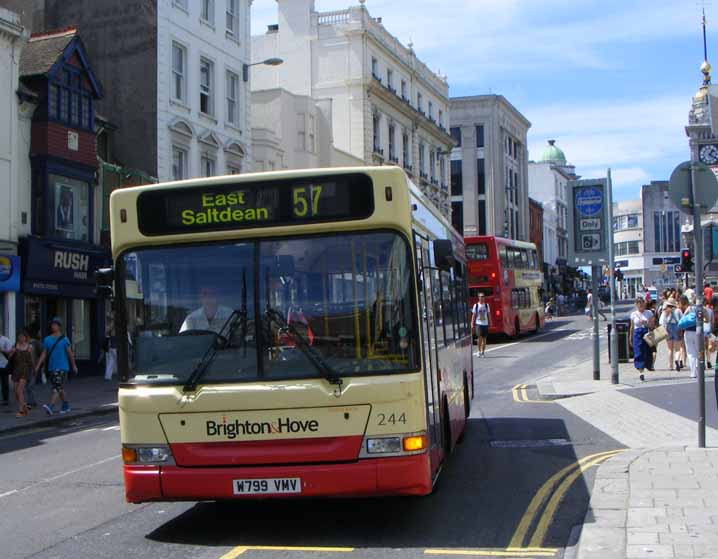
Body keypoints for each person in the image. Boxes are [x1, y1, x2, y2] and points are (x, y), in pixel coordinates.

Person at [34, 317, 77, 415]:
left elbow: (70, 353)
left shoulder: (64, 339)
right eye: (52, 325)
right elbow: (44, 353)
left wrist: (73, 365)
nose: (53, 326)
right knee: (59, 387)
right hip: (52, 367)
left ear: (59, 327)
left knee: (57, 388)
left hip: (62, 367)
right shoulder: (47, 339)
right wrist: (38, 365)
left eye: (55, 325)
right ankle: (66, 405)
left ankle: (51, 407)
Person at [7, 331, 34, 418]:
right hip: (16, 370)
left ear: (26, 337)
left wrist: (34, 368)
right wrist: (11, 352)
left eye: (23, 336)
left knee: (19, 390)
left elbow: (31, 360)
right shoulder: (15, 346)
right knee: (15, 391)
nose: (21, 338)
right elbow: (9, 357)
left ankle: (21, 410)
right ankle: (24, 406)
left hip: (25, 370)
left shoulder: (29, 346)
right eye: (19, 336)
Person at [630, 297, 654, 381]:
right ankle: (641, 371)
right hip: (637, 334)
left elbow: (652, 326)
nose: (641, 307)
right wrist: (630, 337)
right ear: (636, 305)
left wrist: (646, 323)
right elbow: (632, 327)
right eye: (639, 306)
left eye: (643, 305)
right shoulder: (633, 314)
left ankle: (648, 365)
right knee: (638, 352)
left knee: (647, 351)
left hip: (646, 333)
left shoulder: (649, 313)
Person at [678, 294, 698, 379]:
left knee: (690, 353)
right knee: (698, 351)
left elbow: (682, 320)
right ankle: (699, 370)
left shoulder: (687, 309)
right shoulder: (698, 308)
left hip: (688, 332)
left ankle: (693, 373)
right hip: (697, 332)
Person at [659, 298, 682, 371]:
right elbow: (682, 320)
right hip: (676, 328)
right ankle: (677, 360)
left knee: (670, 349)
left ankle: (670, 366)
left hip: (668, 329)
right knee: (677, 349)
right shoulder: (678, 310)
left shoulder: (665, 311)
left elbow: (661, 322)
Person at [471, 293, 491, 357]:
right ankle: (479, 351)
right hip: (478, 323)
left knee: (484, 339)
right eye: (481, 296)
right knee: (479, 338)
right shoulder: (476, 305)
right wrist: (472, 323)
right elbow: (473, 315)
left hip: (485, 324)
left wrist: (490, 322)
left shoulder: (486, 305)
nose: (482, 298)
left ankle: (483, 352)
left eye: (483, 296)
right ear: (478, 297)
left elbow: (489, 314)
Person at [0, 331, 12, 406]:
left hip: (4, 364)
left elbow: (11, 352)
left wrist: (2, 350)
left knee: (4, 382)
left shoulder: (5, 340)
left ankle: (5, 399)